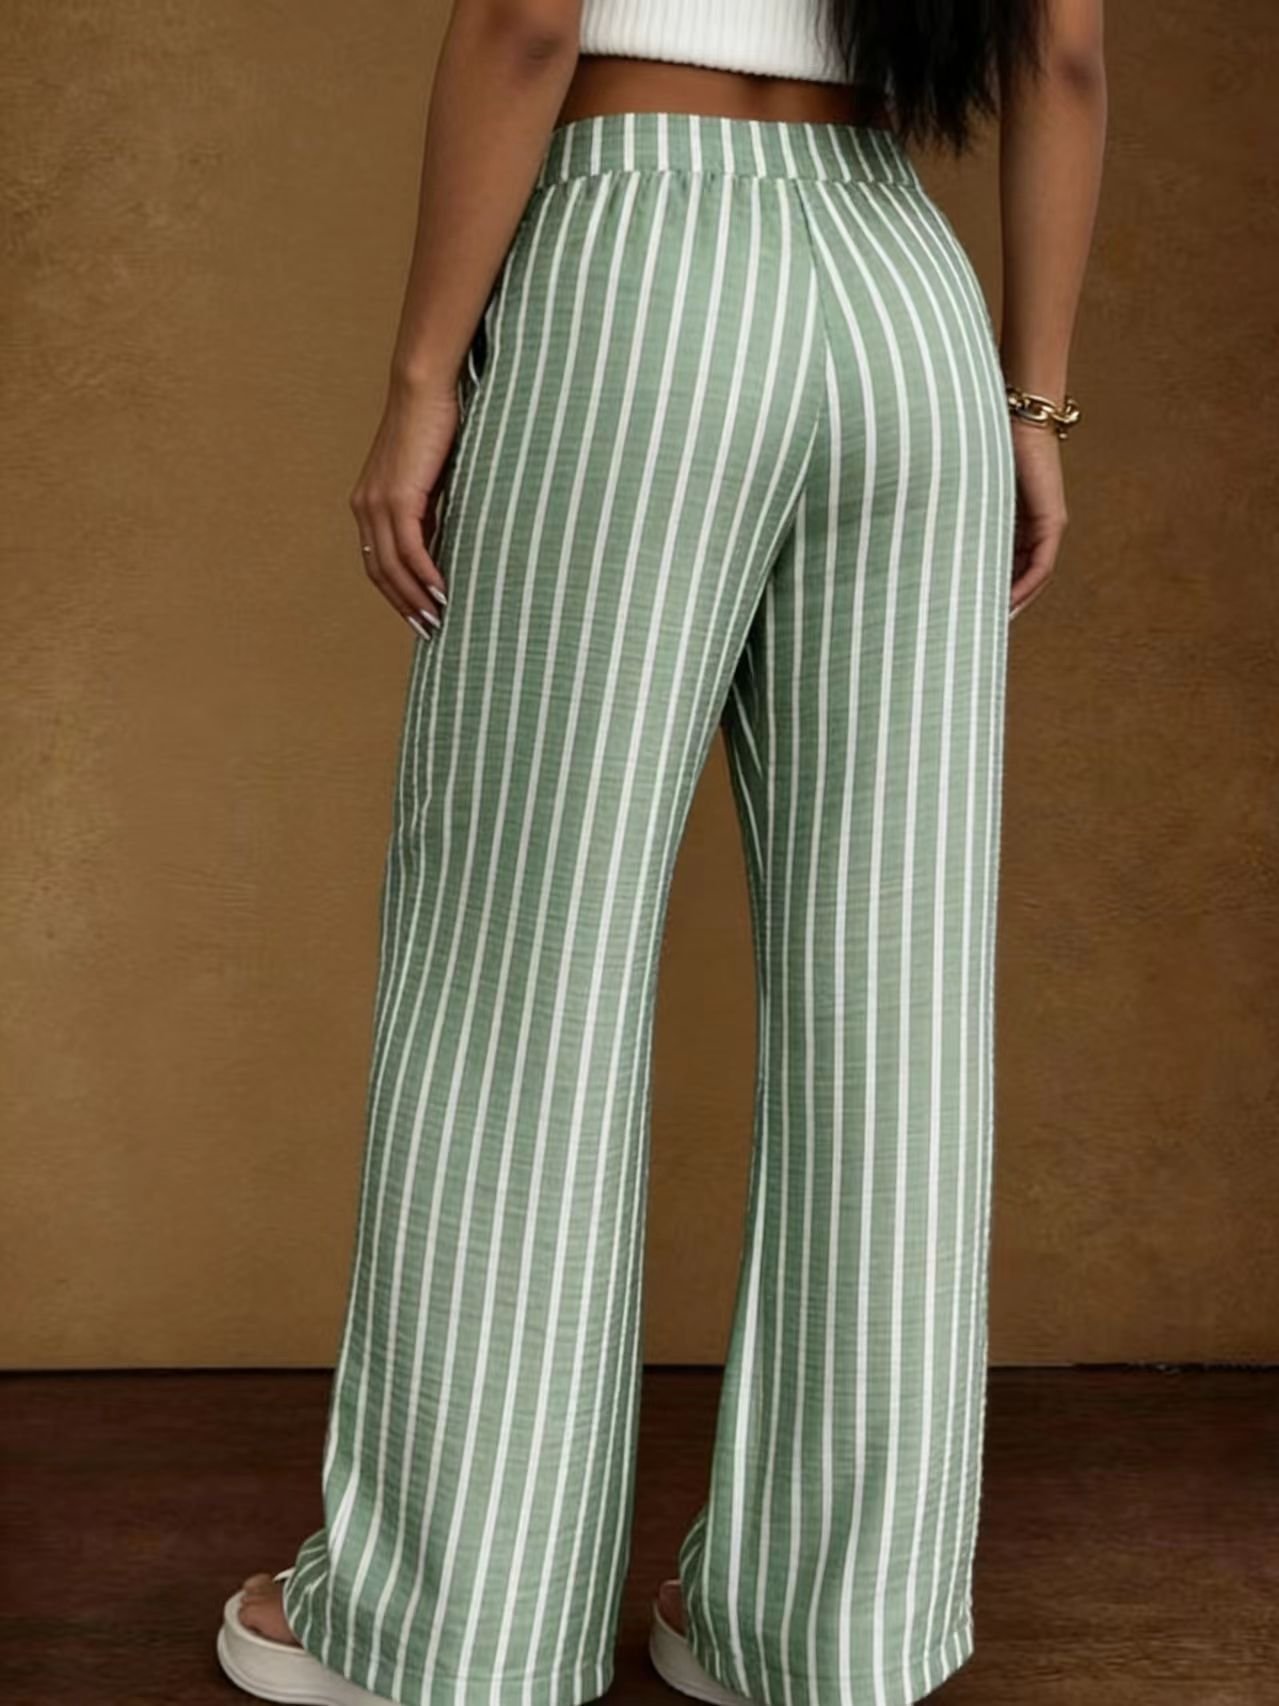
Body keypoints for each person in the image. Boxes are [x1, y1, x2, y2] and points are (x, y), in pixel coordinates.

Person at [215, 0, 1105, 1702]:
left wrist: (421, 377)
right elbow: (1062, 55)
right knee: (894, 992)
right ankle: (830, 1628)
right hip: (906, 307)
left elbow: (529, 19)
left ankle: (457, 1621)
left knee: (517, 967)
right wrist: (1034, 405)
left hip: (637, 272)